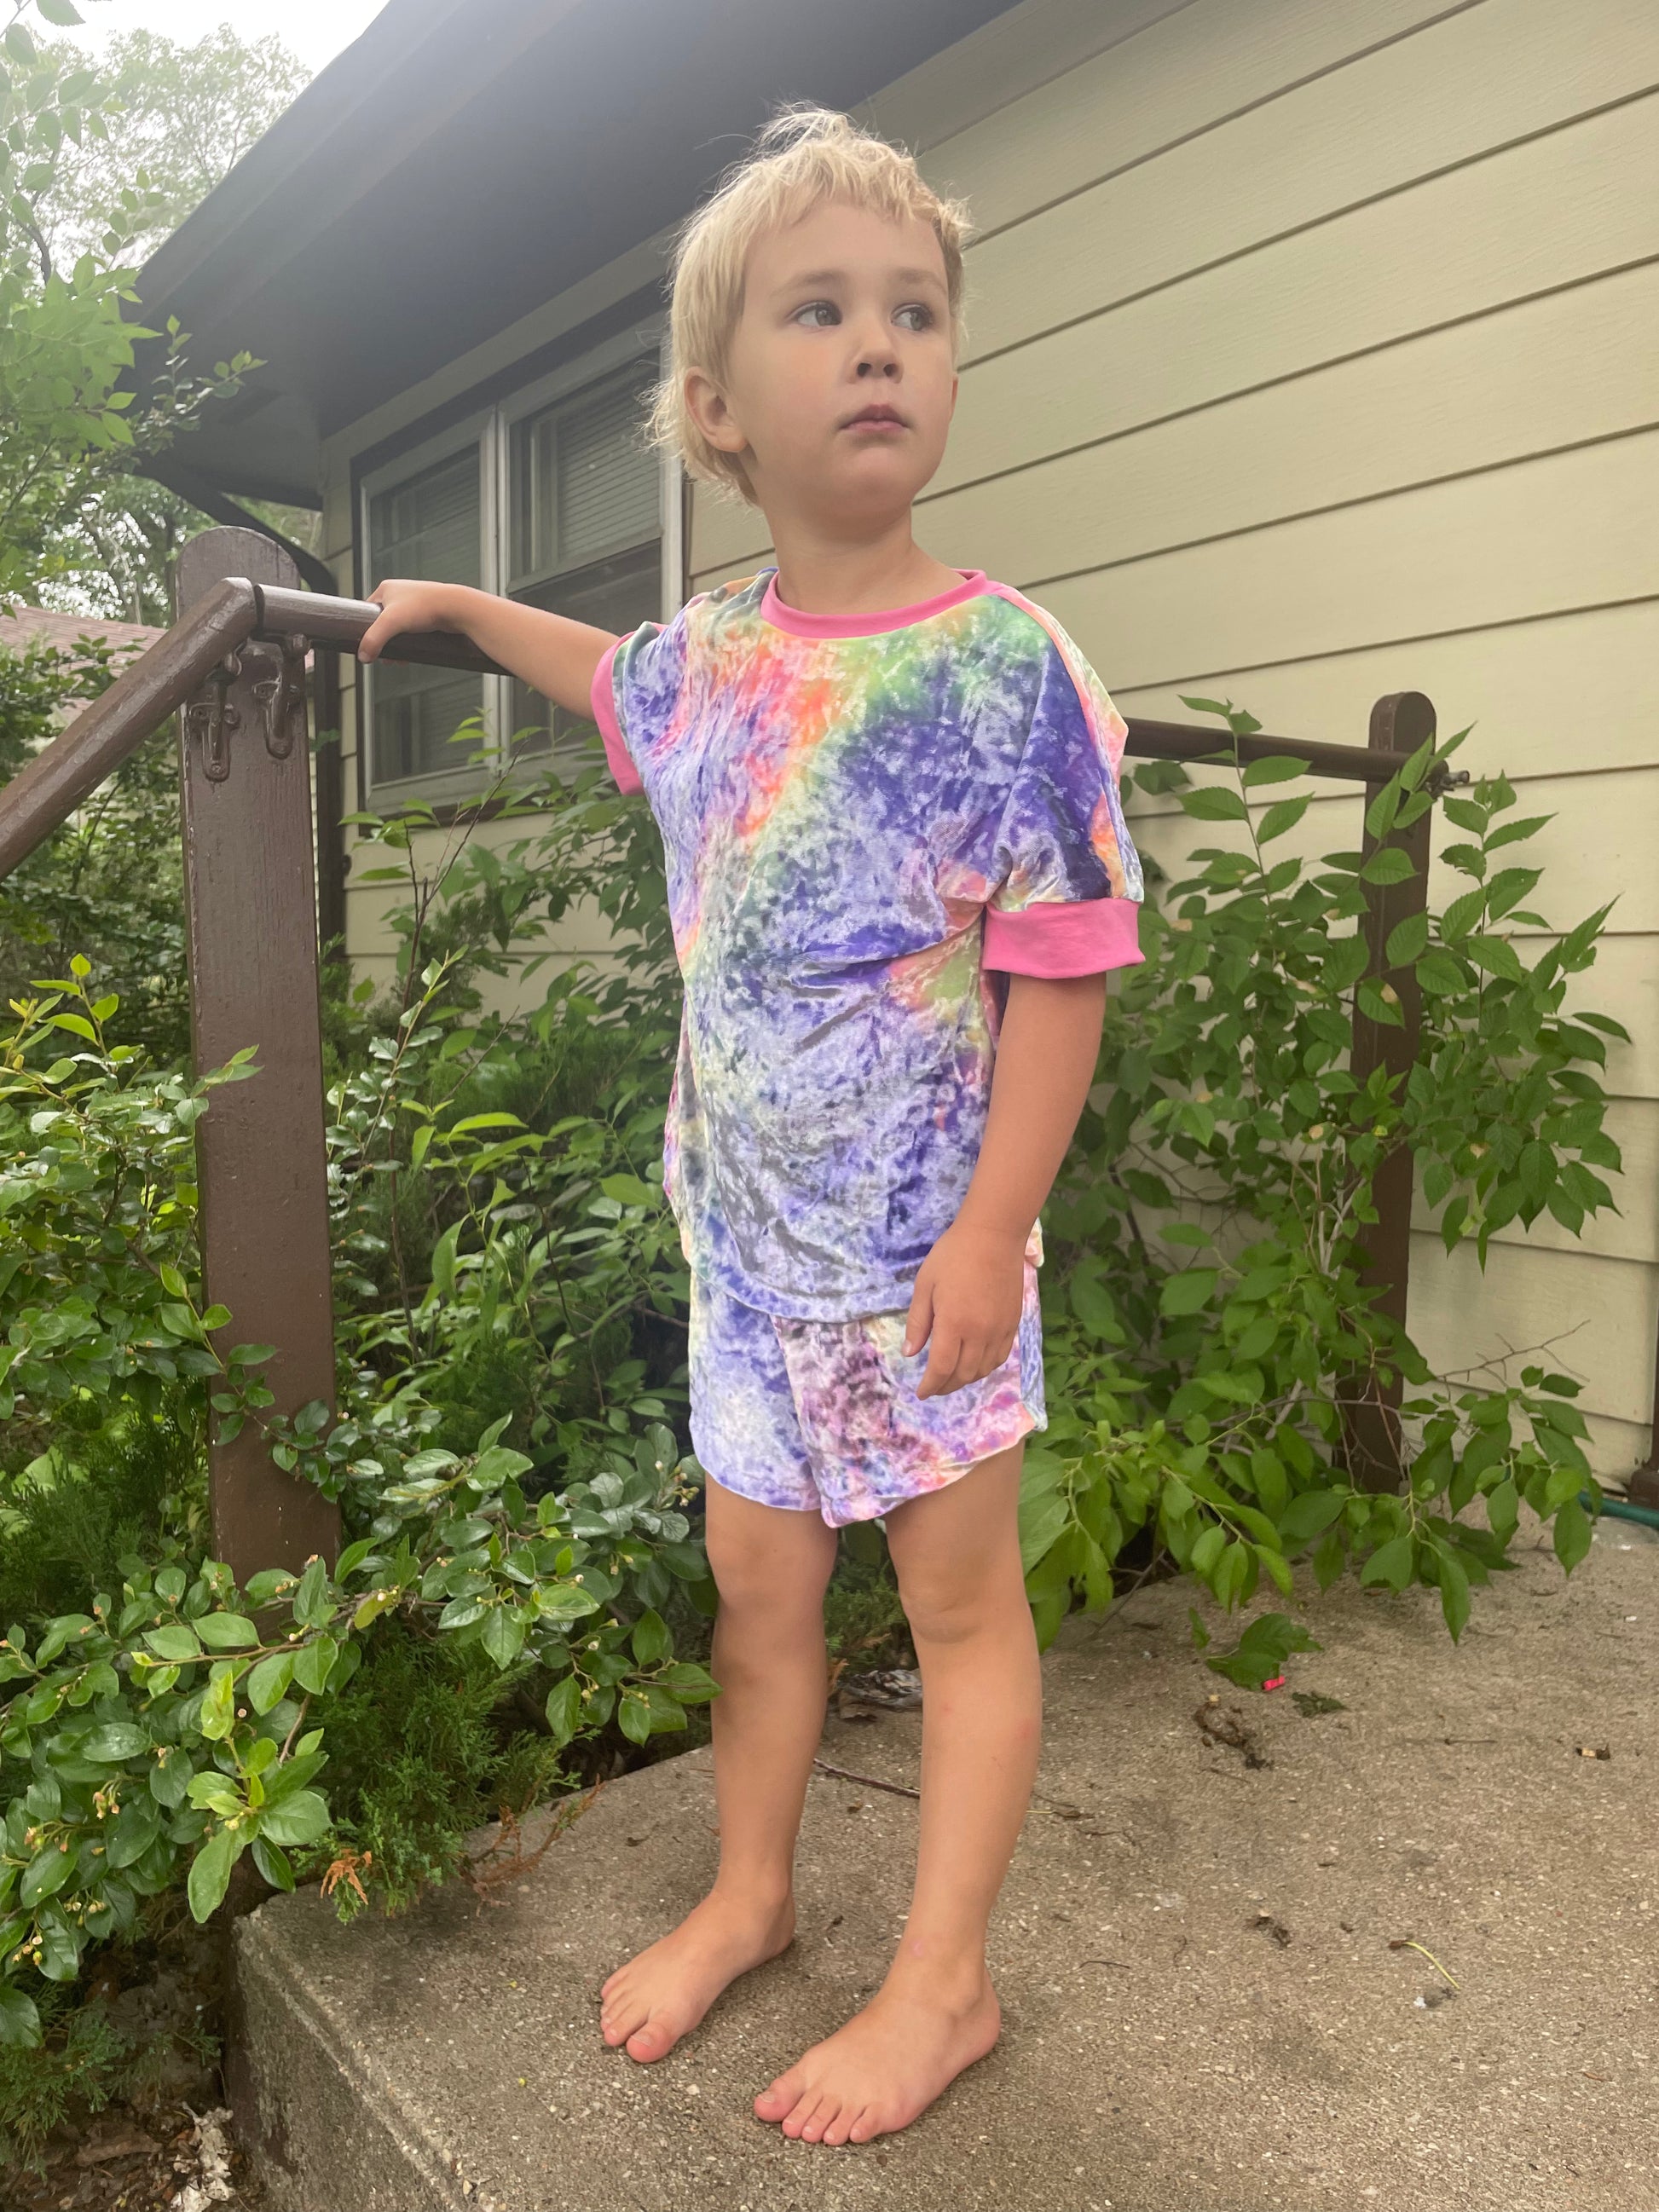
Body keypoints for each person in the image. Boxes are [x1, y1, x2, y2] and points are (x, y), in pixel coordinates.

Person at [356, 103, 1144, 2149]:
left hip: (921, 1273)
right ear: (717, 409)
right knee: (758, 1597)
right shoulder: (709, 662)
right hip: (743, 1267)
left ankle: (945, 1979)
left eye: (914, 312)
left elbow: (1063, 970)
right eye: (820, 311)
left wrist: (993, 1231)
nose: (879, 342)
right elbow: (604, 677)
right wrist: (455, 601)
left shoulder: (1005, 670)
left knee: (959, 1610)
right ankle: (752, 1891)